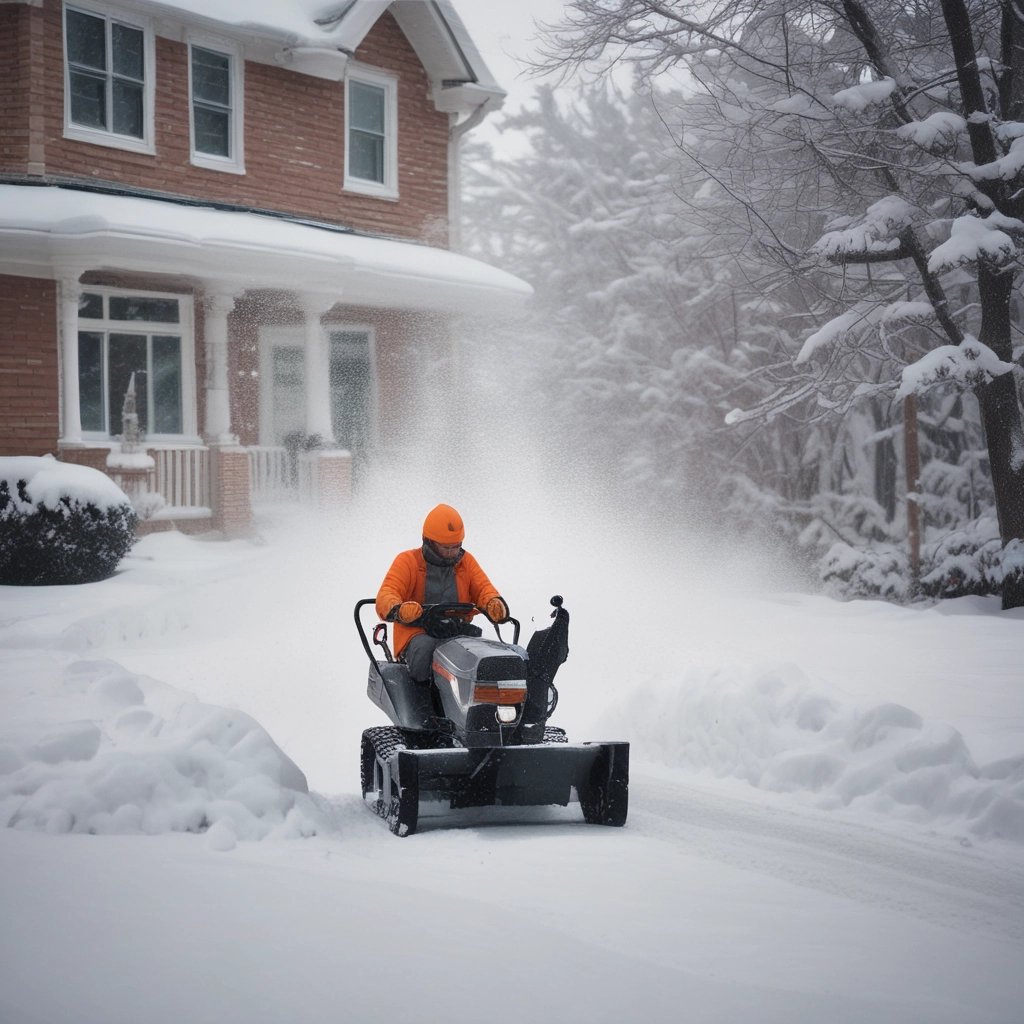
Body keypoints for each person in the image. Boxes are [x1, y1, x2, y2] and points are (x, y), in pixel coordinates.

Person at [375, 504, 510, 683]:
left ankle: (479, 703)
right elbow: (387, 594)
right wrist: (400, 610)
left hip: (456, 631)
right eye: (446, 548)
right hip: (418, 634)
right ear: (429, 542)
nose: (452, 553)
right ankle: (422, 697)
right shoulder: (407, 561)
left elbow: (484, 588)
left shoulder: (466, 562)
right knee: (425, 648)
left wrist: (493, 603)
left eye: (456, 547)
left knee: (480, 652)